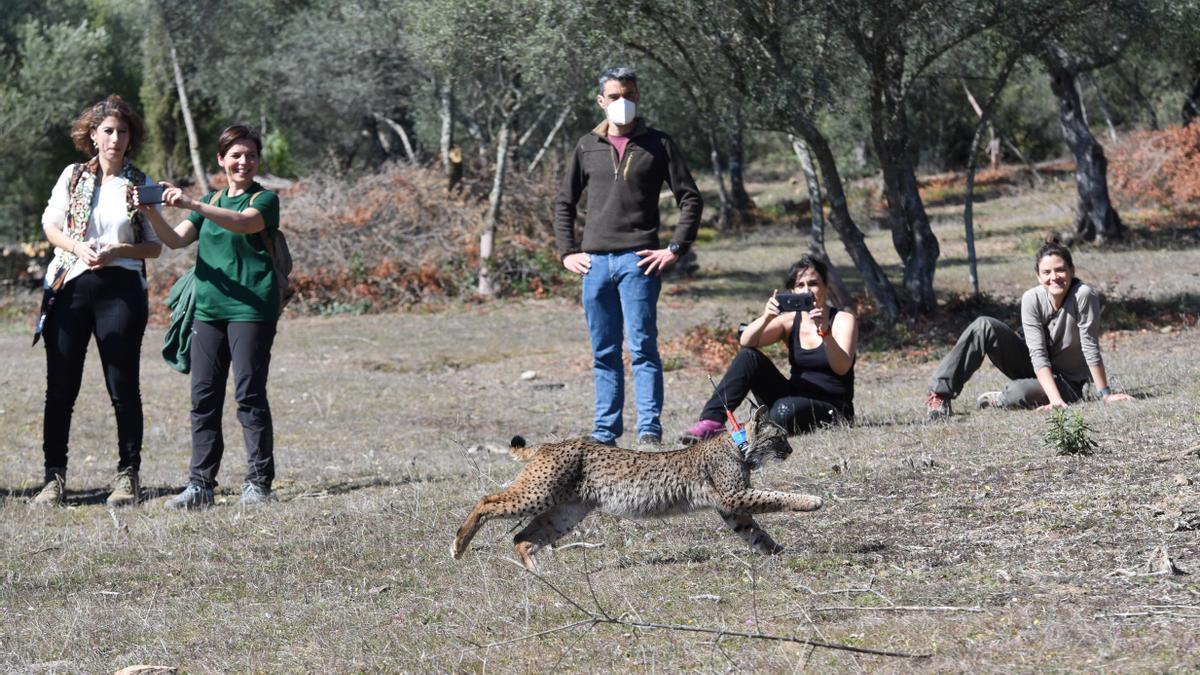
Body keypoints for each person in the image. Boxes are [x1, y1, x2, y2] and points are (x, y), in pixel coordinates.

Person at [553, 66, 703, 448]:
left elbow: (690, 198)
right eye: (616, 96)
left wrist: (675, 248)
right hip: (595, 264)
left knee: (643, 348)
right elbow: (564, 203)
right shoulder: (587, 145)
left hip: (639, 262)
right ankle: (605, 433)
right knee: (604, 351)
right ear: (601, 101)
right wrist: (567, 251)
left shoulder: (659, 143)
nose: (624, 103)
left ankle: (649, 430)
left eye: (631, 95)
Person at [140, 125, 283, 509]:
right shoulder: (211, 198)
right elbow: (174, 241)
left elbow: (243, 223)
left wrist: (193, 204)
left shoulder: (265, 200)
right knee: (203, 398)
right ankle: (200, 485)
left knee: (249, 395)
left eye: (250, 155)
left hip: (252, 310)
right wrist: (151, 211)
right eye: (235, 155)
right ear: (221, 159)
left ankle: (258, 483)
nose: (243, 162)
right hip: (208, 311)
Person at [32, 95, 163, 507]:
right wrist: (77, 246)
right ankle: (53, 479)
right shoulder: (72, 176)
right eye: (108, 130)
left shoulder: (140, 184)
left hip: (120, 290)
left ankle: (128, 476)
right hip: (69, 285)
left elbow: (154, 248)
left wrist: (116, 251)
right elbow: (49, 226)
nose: (115, 138)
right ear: (92, 134)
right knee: (61, 388)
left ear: (130, 138)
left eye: (123, 132)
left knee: (123, 386)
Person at [925, 237, 1133, 420]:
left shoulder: (1084, 296)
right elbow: (1037, 353)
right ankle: (940, 396)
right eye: (1047, 272)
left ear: (1072, 270)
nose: (1054, 277)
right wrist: (1054, 401)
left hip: (1067, 382)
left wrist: (1104, 394)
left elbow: (1090, 346)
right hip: (1035, 365)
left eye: (1060, 269)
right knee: (983, 325)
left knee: (1018, 392)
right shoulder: (1031, 298)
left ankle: (1003, 398)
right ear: (1038, 276)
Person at [680, 255, 858, 444]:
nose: (807, 290)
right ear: (792, 290)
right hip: (794, 397)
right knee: (749, 356)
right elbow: (746, 341)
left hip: (832, 407)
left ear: (826, 286)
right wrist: (767, 317)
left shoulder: (842, 320)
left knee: (784, 410)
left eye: (813, 283)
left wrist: (826, 333)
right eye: (800, 285)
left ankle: (752, 428)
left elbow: (842, 367)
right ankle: (712, 422)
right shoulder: (789, 321)